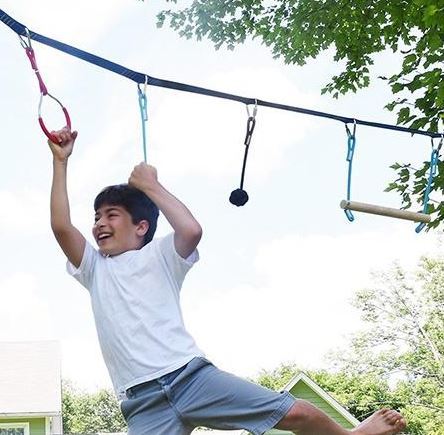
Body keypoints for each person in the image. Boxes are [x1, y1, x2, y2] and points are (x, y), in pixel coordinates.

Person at [48, 126, 407, 435]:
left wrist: (151, 186)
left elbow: (191, 229)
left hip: (189, 379)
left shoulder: (159, 255)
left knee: (299, 412)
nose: (99, 223)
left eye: (111, 215)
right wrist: (60, 161)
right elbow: (62, 226)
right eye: (96, 217)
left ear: (141, 227)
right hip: (142, 401)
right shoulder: (95, 268)